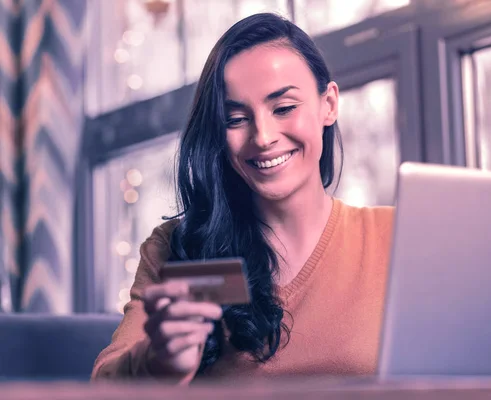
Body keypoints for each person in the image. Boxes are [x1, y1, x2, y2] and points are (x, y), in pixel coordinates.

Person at [92, 12, 394, 384]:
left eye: (283, 108)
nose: (263, 136)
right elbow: (103, 386)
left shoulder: (396, 238)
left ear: (328, 104)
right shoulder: (178, 247)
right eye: (235, 119)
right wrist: (157, 362)